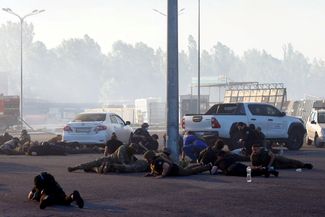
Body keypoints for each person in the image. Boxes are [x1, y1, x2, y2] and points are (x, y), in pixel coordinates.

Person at [68, 144, 148, 173]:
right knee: (93, 162)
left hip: (114, 164)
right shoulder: (123, 148)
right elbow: (122, 159)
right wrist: (126, 167)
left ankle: (93, 169)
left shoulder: (131, 153)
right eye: (133, 150)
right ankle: (75, 167)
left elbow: (134, 159)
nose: (134, 152)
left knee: (100, 169)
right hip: (110, 159)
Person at [143, 150, 212, 178]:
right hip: (176, 168)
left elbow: (166, 166)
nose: (146, 160)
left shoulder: (157, 161)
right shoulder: (154, 161)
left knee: (190, 171)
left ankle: (208, 167)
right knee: (187, 169)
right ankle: (200, 164)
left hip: (176, 170)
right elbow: (154, 168)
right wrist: (151, 173)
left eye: (146, 158)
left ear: (150, 157)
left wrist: (162, 175)